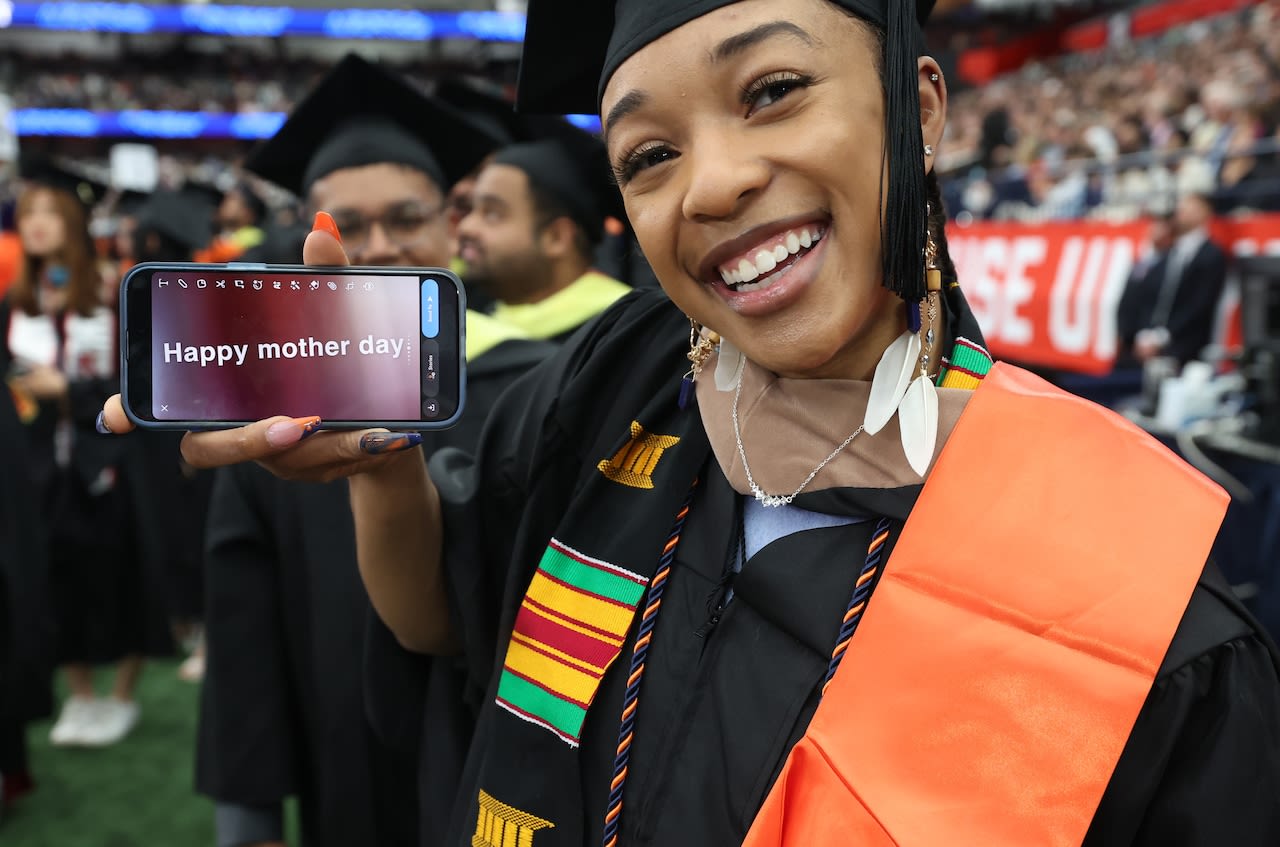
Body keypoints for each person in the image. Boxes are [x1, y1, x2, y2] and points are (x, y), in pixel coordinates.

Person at [102, 1, 1280, 844]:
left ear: (918, 106)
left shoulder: (1124, 589)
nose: (711, 183)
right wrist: (373, 463)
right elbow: (439, 630)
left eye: (771, 90)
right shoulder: (610, 401)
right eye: (649, 153)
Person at [193, 53, 552, 847]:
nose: (379, 245)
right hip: (344, 785)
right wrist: (248, 820)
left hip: (519, 775)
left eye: (406, 216)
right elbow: (244, 635)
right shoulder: (271, 420)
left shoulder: (537, 383)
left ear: (449, 226)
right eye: (345, 227)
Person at [6, 156, 167, 750]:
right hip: (40, 469)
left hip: (110, 464)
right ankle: (79, 694)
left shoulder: (110, 295)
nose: (39, 224)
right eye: (29, 214)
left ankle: (121, 697)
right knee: (58, 581)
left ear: (73, 221)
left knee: (120, 577)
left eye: (50, 212)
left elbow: (143, 384)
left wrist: (68, 392)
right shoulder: (15, 303)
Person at [456, 138, 631, 344]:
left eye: (492, 214)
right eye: (470, 209)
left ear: (556, 237)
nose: (465, 227)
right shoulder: (477, 319)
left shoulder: (620, 332)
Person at [1131, 193, 1230, 366]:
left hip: (1191, 350)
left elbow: (1200, 304)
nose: (1181, 212)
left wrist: (1164, 336)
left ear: (1204, 212)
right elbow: (1151, 294)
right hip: (1155, 346)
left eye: (1188, 208)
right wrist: (1146, 333)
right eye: (1180, 208)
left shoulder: (1212, 255)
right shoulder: (1170, 252)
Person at [1116, 212, 1176, 368]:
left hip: (1150, 338)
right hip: (1129, 336)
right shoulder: (1143, 260)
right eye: (1154, 225)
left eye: (1162, 227)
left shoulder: (1171, 263)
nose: (1156, 230)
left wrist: (1150, 335)